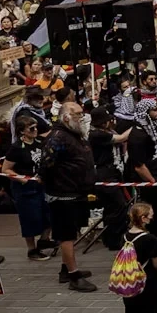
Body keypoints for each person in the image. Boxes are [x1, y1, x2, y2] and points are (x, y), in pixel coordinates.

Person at [43, 101, 98, 292]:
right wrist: (60, 181)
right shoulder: (57, 137)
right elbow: (45, 165)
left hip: (76, 192)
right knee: (65, 235)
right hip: (62, 194)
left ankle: (66, 269)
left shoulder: (74, 134)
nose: (81, 118)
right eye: (77, 115)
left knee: (71, 232)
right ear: (66, 117)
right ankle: (74, 276)